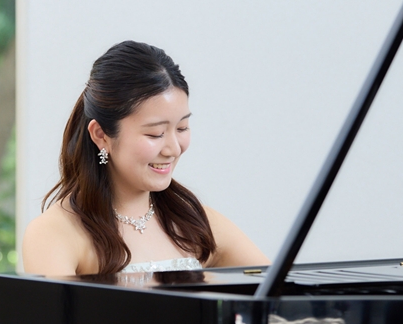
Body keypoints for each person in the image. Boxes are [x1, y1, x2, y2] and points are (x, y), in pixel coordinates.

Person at [22, 40, 268, 276]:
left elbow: (278, 293)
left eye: (182, 128)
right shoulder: (54, 233)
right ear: (101, 135)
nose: (173, 149)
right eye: (155, 133)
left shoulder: (197, 223)